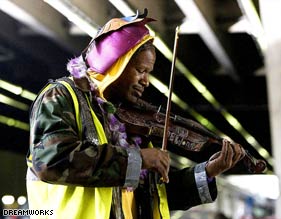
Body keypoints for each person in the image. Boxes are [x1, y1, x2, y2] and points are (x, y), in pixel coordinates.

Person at [26, 10, 244, 219]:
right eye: (141, 71)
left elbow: (152, 194)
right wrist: (138, 159)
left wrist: (207, 172)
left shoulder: (128, 119)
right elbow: (50, 161)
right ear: (115, 63)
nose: (146, 81)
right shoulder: (61, 96)